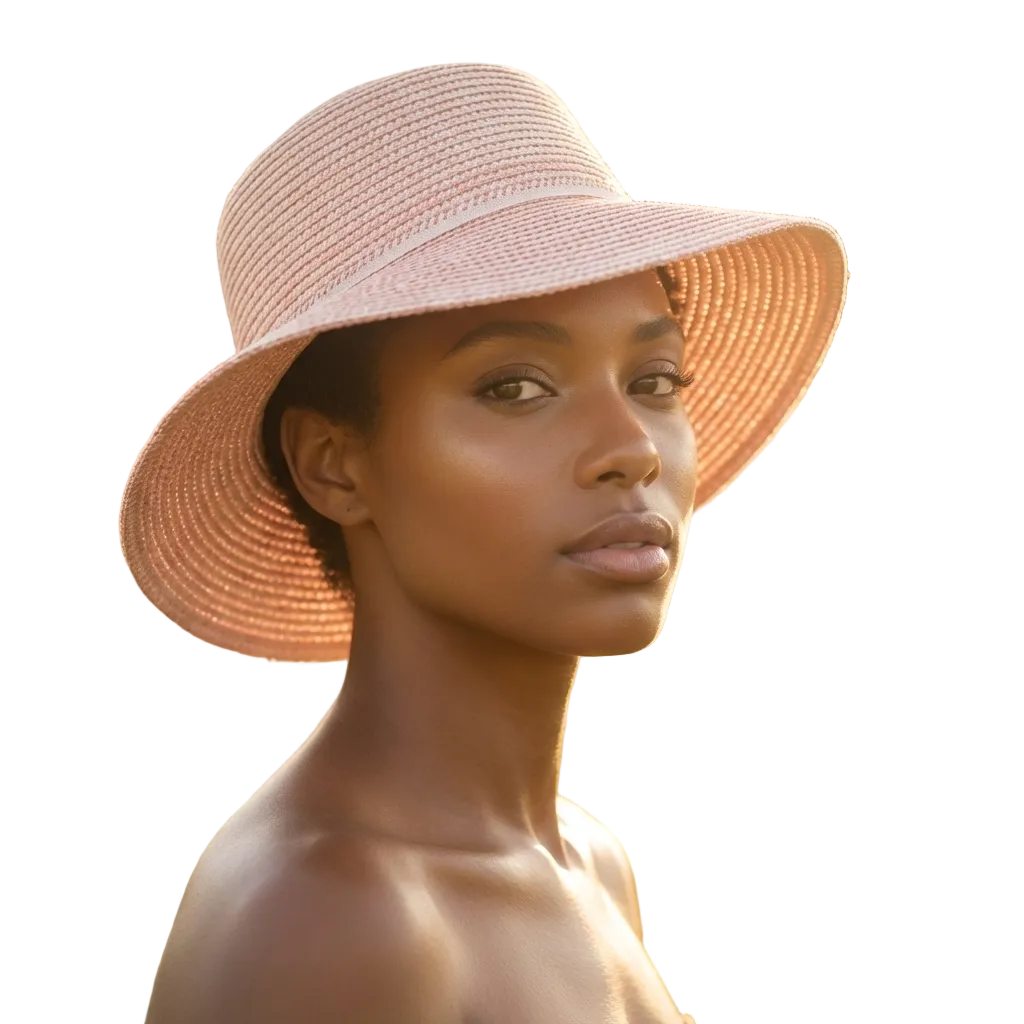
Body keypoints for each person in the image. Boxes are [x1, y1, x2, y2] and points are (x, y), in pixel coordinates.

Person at [121, 63, 847, 1023]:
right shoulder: (331, 920)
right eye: (516, 388)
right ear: (335, 465)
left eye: (656, 379)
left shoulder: (590, 863)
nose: (630, 449)